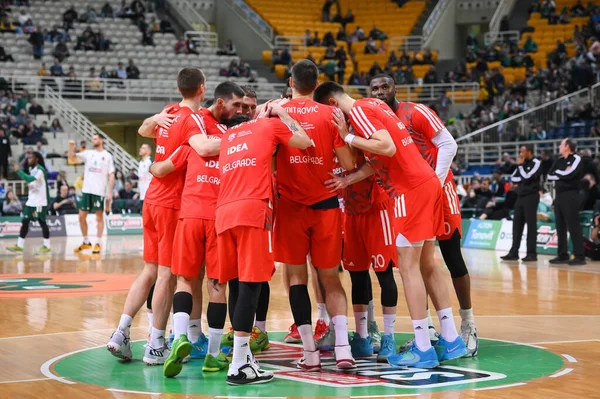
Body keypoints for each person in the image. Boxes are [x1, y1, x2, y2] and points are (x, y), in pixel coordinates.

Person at [314, 81, 467, 368]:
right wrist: (348, 177)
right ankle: (450, 338)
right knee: (427, 264)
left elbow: (385, 145)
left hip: (409, 192)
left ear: (333, 106)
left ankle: (423, 346)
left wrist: (347, 137)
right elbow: (380, 156)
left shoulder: (358, 110)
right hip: (427, 183)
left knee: (408, 270)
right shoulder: (376, 105)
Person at [107, 68, 216, 366]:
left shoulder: (168, 111)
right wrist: (246, 139)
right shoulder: (193, 121)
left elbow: (145, 130)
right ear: (202, 88)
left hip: (152, 200)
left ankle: (121, 332)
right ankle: (156, 345)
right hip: (171, 205)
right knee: (168, 275)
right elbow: (204, 147)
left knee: (149, 271)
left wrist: (153, 120)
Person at [369, 74, 478, 357]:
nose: (381, 92)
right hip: (411, 196)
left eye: (385, 87)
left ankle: (468, 323)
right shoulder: (376, 123)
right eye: (375, 89)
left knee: (451, 256)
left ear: (395, 90)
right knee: (419, 262)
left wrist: (435, 182)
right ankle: (430, 331)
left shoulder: (415, 111)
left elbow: (449, 145)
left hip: (437, 187)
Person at [149, 82, 244, 378]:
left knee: (184, 282)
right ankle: (213, 355)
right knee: (217, 286)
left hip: (189, 216)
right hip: (218, 220)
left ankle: (180, 337)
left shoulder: (193, 144)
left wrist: (151, 168)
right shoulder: (235, 144)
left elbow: (162, 169)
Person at [217, 104, 312, 385]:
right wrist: (282, 115)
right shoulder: (268, 125)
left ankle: (242, 358)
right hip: (254, 208)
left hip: (223, 212)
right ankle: (239, 365)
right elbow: (305, 141)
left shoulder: (227, 138)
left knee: (236, 282)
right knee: (251, 283)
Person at [274, 60, 356, 370]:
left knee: (297, 278)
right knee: (330, 279)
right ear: (317, 83)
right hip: (326, 206)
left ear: (291, 83)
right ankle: (343, 350)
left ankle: (309, 353)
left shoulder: (275, 114)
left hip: (291, 207)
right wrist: (344, 134)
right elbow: (348, 166)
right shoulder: (331, 114)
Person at [324, 149, 397, 361]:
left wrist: (347, 180)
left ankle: (389, 337)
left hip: (377, 209)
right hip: (351, 210)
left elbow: (379, 159)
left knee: (384, 274)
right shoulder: (334, 137)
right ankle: (362, 336)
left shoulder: (364, 132)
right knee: (357, 276)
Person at [67, 133, 115, 255]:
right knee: (81, 217)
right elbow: (72, 158)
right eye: (92, 138)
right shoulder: (88, 153)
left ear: (101, 140)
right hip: (87, 191)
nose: (93, 140)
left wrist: (110, 192)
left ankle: (98, 243)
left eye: (96, 138)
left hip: (99, 192)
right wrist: (71, 147)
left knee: (99, 217)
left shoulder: (107, 156)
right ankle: (86, 242)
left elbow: (111, 174)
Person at [547, 138, 586, 265]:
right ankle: (562, 255)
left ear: (568, 146)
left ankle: (580, 256)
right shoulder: (558, 161)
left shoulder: (576, 159)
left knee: (573, 225)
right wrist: (562, 173)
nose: (559, 146)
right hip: (558, 195)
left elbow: (571, 174)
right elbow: (549, 175)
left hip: (571, 195)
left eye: (561, 144)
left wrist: (560, 174)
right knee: (560, 226)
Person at [501, 145, 542, 262]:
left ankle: (531, 253)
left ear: (529, 152)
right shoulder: (522, 164)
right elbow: (514, 178)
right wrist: (520, 168)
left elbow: (527, 177)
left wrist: (520, 167)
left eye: (523, 151)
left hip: (531, 196)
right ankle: (514, 252)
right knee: (517, 224)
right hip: (520, 196)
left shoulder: (536, 163)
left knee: (531, 225)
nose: (520, 154)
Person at [7, 152, 51, 254]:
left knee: (42, 222)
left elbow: (29, 179)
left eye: (31, 158)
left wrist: (19, 171)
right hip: (31, 201)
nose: (28, 159)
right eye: (28, 158)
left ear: (37, 159)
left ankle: (47, 246)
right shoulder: (32, 169)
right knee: (25, 221)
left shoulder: (40, 170)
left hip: (39, 202)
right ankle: (19, 246)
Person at [137, 143, 152, 208]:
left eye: (143, 148)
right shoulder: (140, 162)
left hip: (149, 195)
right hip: (142, 195)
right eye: (141, 147)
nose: (140, 149)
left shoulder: (150, 161)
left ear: (148, 151)